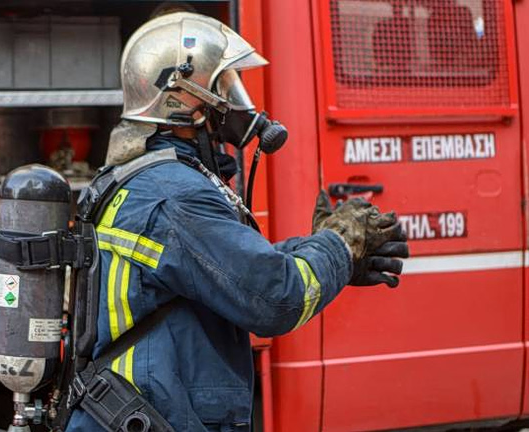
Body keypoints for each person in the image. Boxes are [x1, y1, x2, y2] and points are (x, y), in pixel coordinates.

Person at [65, 11, 408, 432]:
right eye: (225, 85)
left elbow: (214, 270)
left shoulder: (143, 179)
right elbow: (276, 298)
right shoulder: (176, 194)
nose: (238, 101)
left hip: (139, 413)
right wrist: (339, 243)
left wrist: (329, 254)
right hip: (161, 417)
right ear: (185, 96)